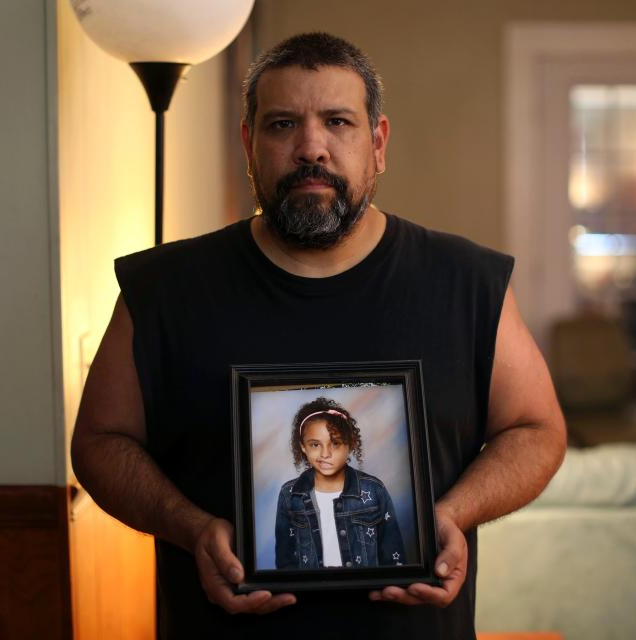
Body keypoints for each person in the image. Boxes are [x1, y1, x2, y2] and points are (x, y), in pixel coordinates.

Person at [71, 31, 566, 639]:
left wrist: (453, 515)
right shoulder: (162, 289)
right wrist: (189, 527)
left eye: (338, 122)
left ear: (377, 144)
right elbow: (99, 441)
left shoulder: (468, 282)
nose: (312, 148)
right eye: (282, 125)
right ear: (249, 144)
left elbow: (538, 430)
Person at [274, 397, 405, 570]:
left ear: (351, 444)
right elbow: (285, 560)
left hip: (365, 591)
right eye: (315, 445)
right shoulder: (289, 494)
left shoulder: (373, 490)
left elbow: (393, 554)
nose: (325, 454)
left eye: (335, 443)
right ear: (303, 448)